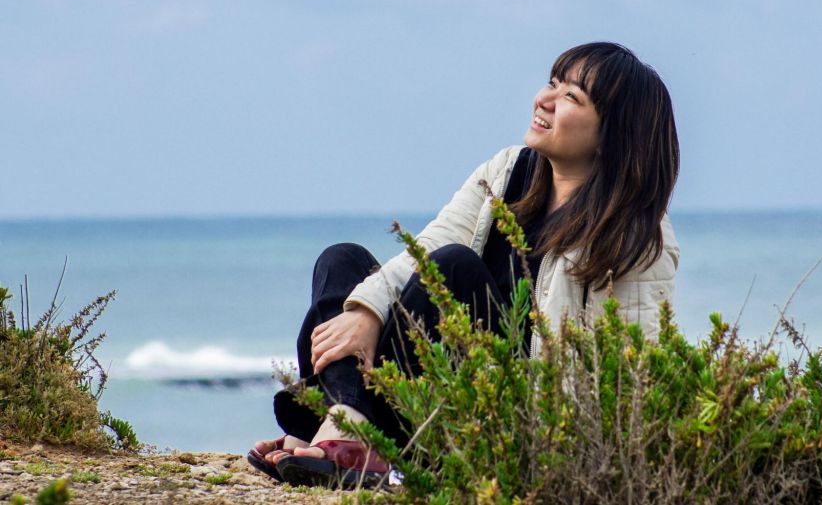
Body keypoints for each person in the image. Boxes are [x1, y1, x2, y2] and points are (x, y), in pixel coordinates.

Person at [247, 42, 681, 488]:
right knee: (343, 261)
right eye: (552, 83)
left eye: (571, 96)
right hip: (419, 396)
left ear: (612, 132)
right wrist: (368, 313)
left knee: (453, 268)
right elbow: (427, 246)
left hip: (496, 423)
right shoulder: (507, 171)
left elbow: (627, 378)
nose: (545, 100)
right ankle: (342, 426)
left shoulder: (636, 234)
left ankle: (336, 432)